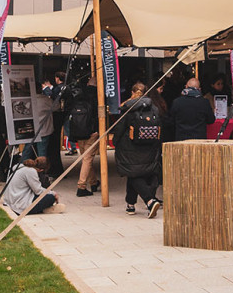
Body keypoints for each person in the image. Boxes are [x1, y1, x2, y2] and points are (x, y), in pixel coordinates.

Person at [114, 86, 166, 217]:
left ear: (132, 93)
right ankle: (130, 205)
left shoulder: (128, 109)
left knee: (134, 174)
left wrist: (115, 142)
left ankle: (149, 200)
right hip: (149, 146)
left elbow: (119, 129)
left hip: (130, 148)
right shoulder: (153, 108)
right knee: (136, 173)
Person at [65, 74, 102, 197]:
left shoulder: (78, 94)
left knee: (85, 158)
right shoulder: (98, 96)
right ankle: (81, 186)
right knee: (88, 158)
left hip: (78, 131)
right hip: (92, 131)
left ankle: (93, 182)